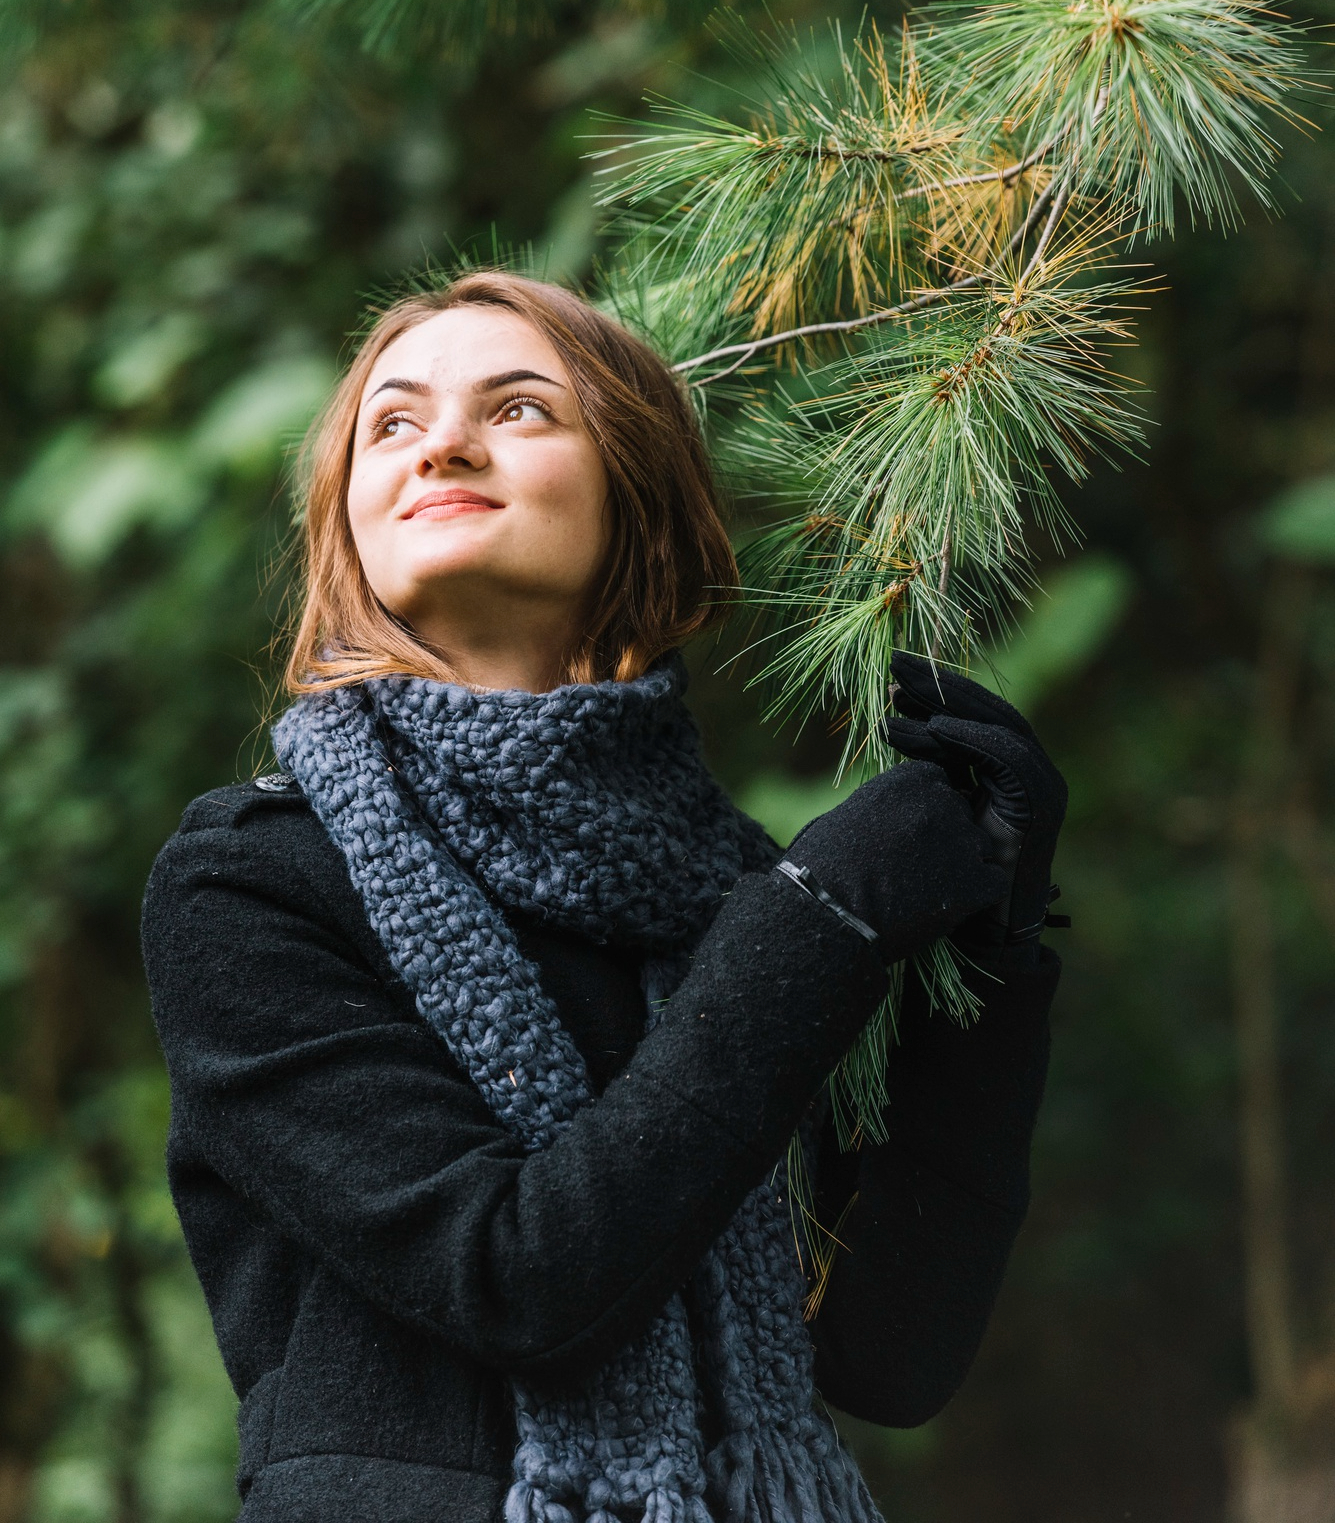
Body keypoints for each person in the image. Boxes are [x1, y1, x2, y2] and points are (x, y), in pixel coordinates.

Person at [141, 270, 1066, 1523]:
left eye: (519, 408)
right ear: (347, 511)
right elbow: (512, 1273)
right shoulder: (254, 876)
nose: (445, 444)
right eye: (394, 423)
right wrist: (829, 909)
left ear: (639, 496)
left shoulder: (732, 889)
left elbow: (888, 1356)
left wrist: (991, 949)